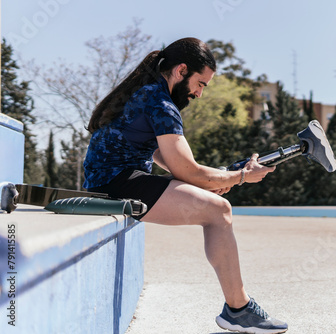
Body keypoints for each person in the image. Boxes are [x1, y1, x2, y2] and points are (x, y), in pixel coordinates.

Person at [83, 38, 288, 333]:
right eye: (200, 83)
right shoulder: (160, 102)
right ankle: (238, 310)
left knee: (211, 198)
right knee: (220, 211)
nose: (199, 94)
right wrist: (240, 176)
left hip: (114, 180)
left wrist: (207, 181)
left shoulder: (147, 92)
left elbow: (159, 155)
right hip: (116, 185)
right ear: (181, 70)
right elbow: (187, 169)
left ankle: (238, 309)